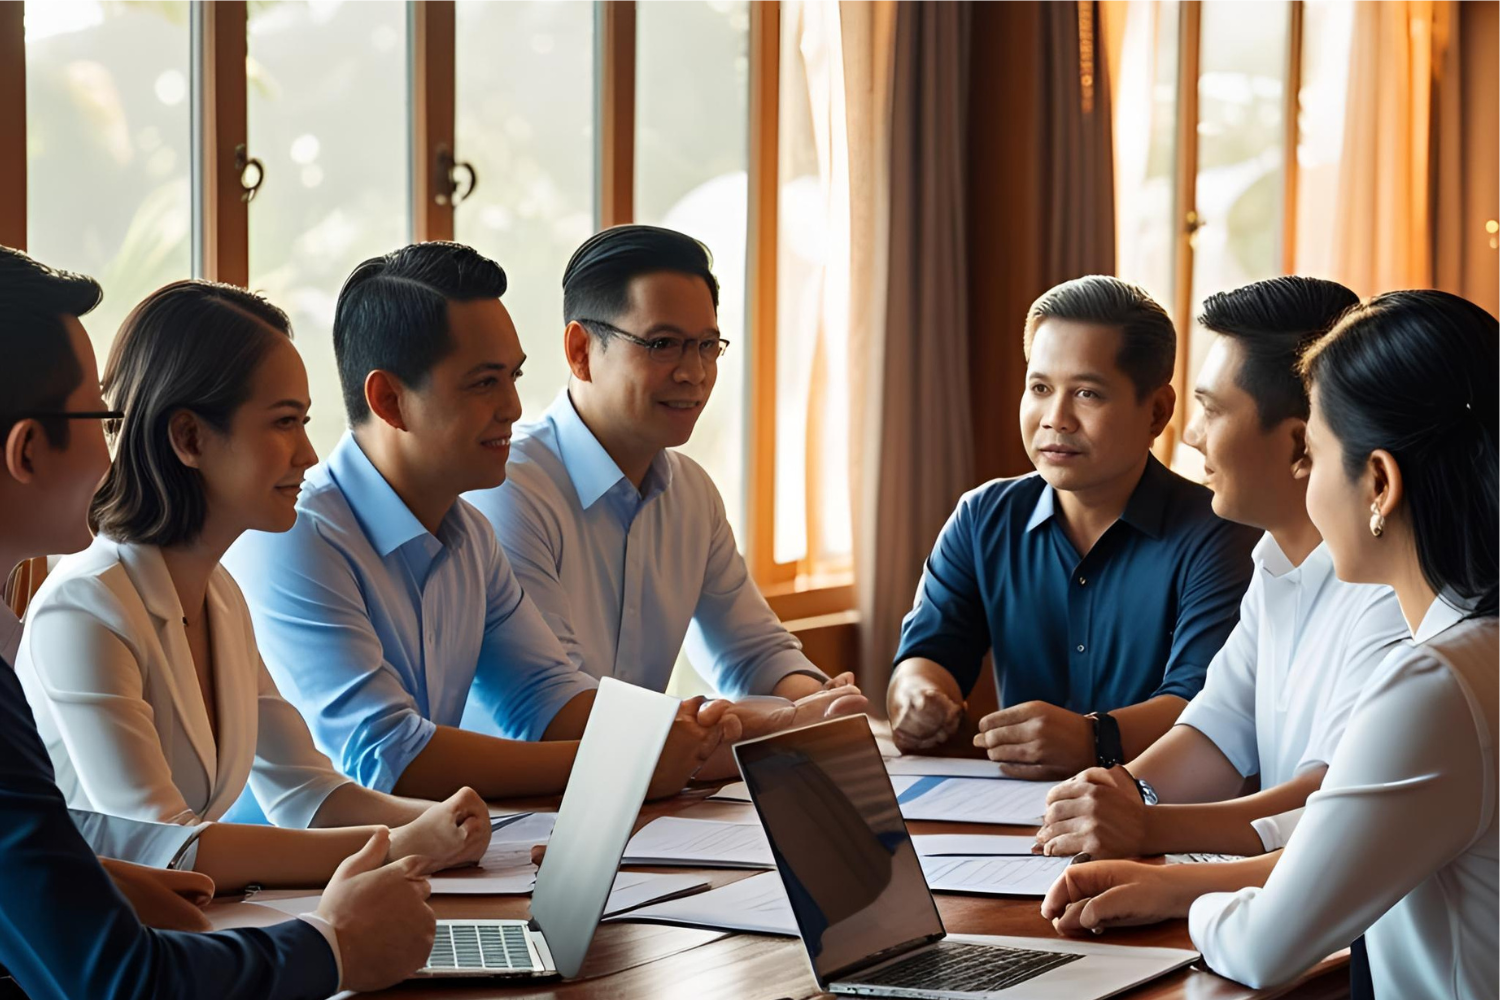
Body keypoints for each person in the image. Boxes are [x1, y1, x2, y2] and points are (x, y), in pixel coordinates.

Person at [0, 245, 435, 998]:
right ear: (28, 449)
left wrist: (97, 880)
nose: (114, 452)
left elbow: (67, 867)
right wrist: (338, 940)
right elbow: (124, 967)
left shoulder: (223, 593)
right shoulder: (80, 605)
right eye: (100, 419)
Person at [1042, 290, 1498, 1000]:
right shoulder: (1472, 651)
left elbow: (1265, 945)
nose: (1308, 477)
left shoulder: (1435, 682)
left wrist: (1181, 893)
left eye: (1316, 453)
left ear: (1377, 482)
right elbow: (1222, 727)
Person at [224, 241, 735, 802]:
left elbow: (549, 698)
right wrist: (623, 762)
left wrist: (683, 736)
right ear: (390, 400)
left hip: (419, 860)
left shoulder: (469, 534)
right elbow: (388, 756)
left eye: (513, 377)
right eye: (484, 382)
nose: (514, 407)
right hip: (273, 885)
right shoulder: (293, 534)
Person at [463, 225, 865, 777]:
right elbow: (557, 712)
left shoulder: (692, 493)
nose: (694, 373)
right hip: (516, 813)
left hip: (640, 803)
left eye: (706, 345)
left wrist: (820, 704)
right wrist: (776, 722)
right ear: (581, 351)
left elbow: (754, 653)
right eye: (662, 344)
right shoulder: (509, 487)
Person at [1035, 277, 1407, 859]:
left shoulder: (1391, 594)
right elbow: (1215, 733)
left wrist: (1143, 826)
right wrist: (1116, 794)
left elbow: (1329, 800)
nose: (1187, 435)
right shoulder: (1274, 560)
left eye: (1210, 410)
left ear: (1298, 446)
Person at [885, 275, 1260, 779]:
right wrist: (917, 697)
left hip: (1162, 815)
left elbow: (1206, 706)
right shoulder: (982, 517)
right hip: (1005, 820)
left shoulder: (1220, 533)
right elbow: (929, 653)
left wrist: (1094, 738)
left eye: (1087, 393)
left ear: (1157, 411)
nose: (1055, 419)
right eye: (1040, 388)